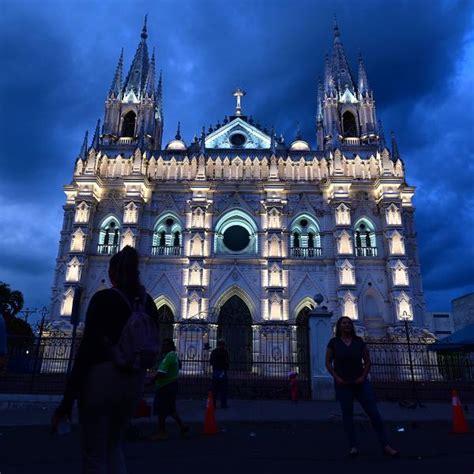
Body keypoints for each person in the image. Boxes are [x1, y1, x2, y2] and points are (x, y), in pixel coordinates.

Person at [52, 246, 160, 473]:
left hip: (101, 380)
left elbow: (88, 348)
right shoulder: (147, 303)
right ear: (137, 272)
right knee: (114, 447)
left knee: (94, 454)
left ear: (111, 274)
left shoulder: (103, 299)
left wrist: (68, 398)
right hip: (133, 382)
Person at [325, 316, 399, 458]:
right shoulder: (333, 342)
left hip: (360, 383)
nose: (346, 325)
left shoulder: (359, 341)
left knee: (374, 414)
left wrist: (363, 377)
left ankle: (385, 445)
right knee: (347, 416)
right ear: (339, 326)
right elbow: (328, 362)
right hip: (343, 384)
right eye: (343, 323)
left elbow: (368, 361)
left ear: (352, 326)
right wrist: (337, 378)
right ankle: (353, 446)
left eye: (348, 323)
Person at [150, 338, 188, 440]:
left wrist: (152, 380)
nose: (162, 347)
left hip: (165, 386)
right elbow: (179, 366)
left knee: (162, 410)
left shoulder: (169, 356)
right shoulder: (174, 356)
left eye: (164, 345)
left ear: (169, 347)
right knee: (171, 409)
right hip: (171, 385)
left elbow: (162, 372)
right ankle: (182, 426)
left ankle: (162, 432)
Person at [210, 339, 230, 409]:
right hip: (222, 372)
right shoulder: (225, 352)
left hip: (215, 371)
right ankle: (223, 404)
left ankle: (213, 404)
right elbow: (227, 361)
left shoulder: (214, 351)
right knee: (223, 389)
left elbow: (211, 361)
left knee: (214, 389)